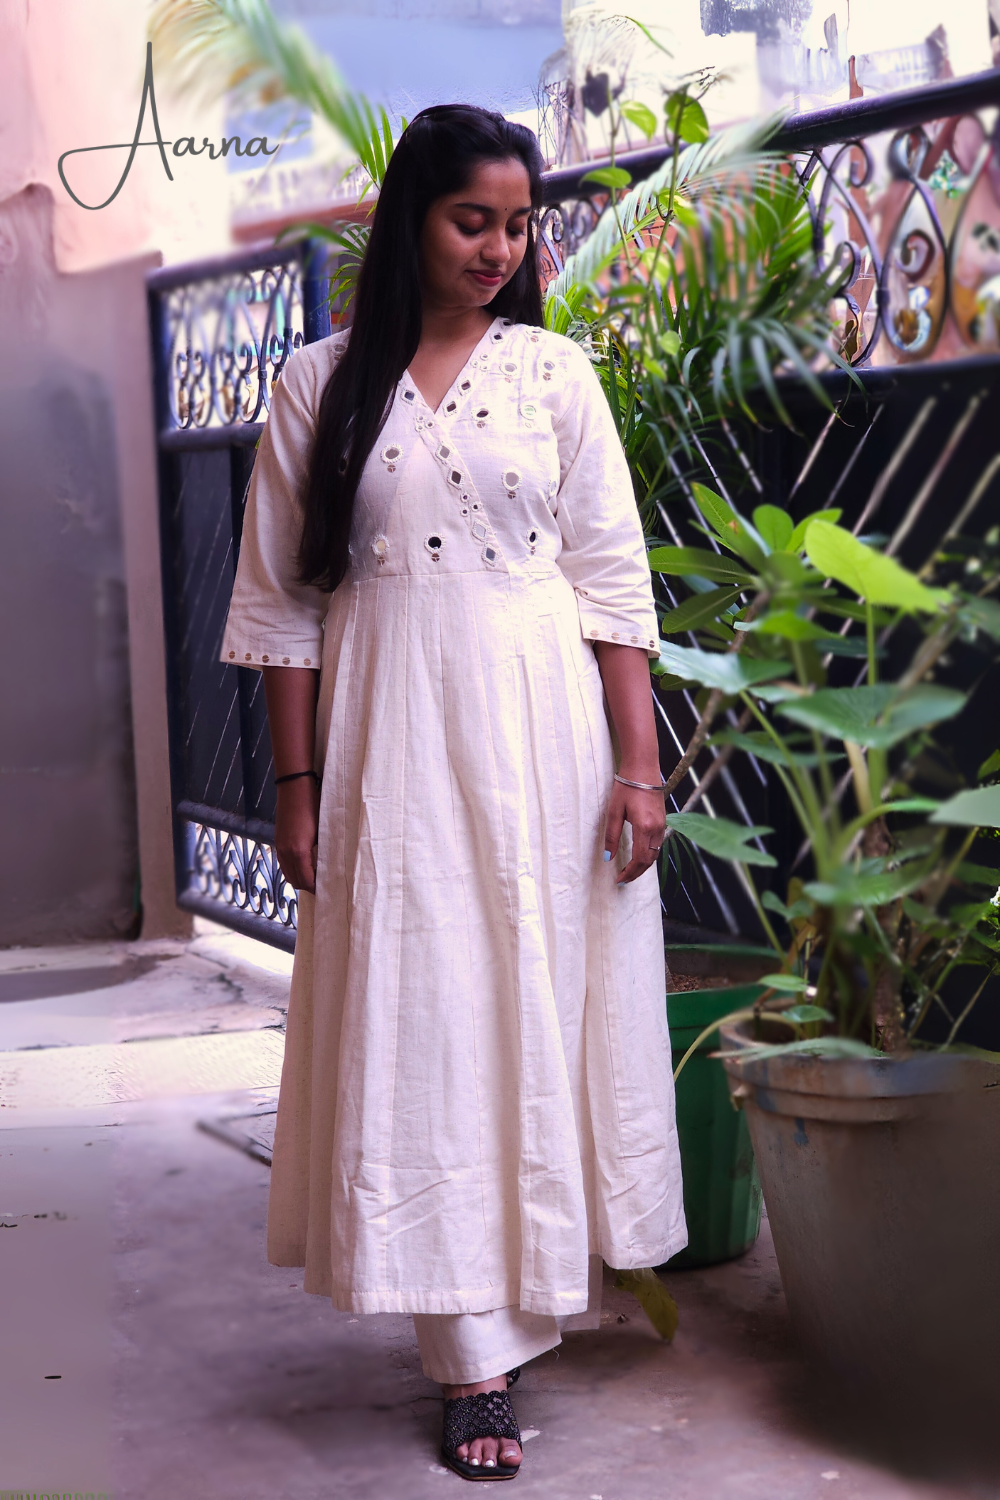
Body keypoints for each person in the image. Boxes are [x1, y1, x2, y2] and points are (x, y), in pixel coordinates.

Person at [220, 103, 686, 1481]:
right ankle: (471, 1360)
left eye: (519, 225)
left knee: (531, 1006)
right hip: (389, 747)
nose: (499, 249)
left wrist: (640, 764)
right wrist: (296, 788)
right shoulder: (317, 385)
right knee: (422, 1025)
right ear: (411, 220)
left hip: (544, 735)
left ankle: (524, 1292)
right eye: (471, 220)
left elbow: (611, 583)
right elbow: (283, 610)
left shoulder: (553, 374)